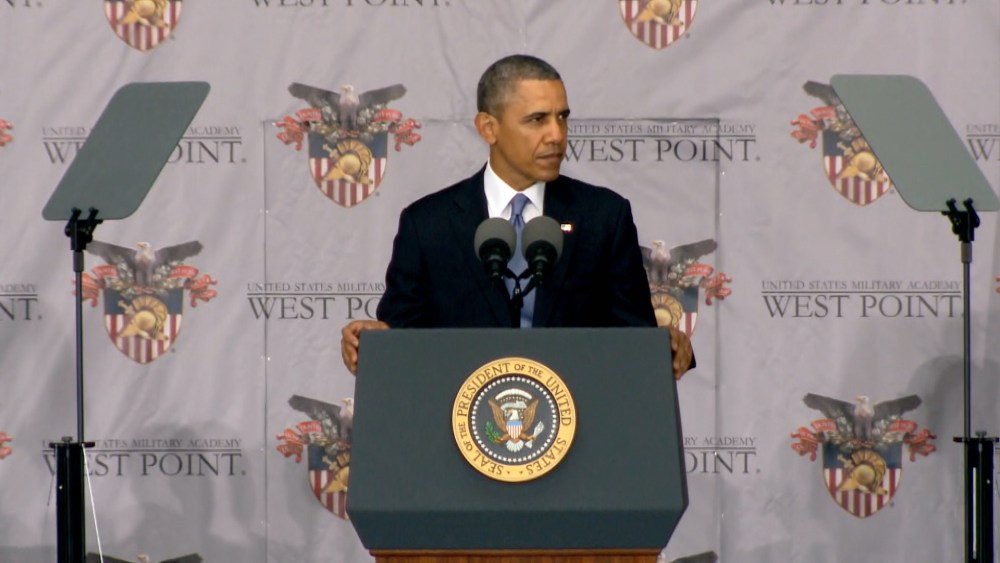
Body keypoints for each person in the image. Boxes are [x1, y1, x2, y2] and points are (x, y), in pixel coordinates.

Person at [341, 54, 693, 378]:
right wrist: (370, 342)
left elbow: (634, 339)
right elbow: (399, 342)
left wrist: (666, 346)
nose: (556, 135)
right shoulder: (428, 225)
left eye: (562, 117)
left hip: (578, 416)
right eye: (537, 120)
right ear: (488, 128)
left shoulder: (603, 217)